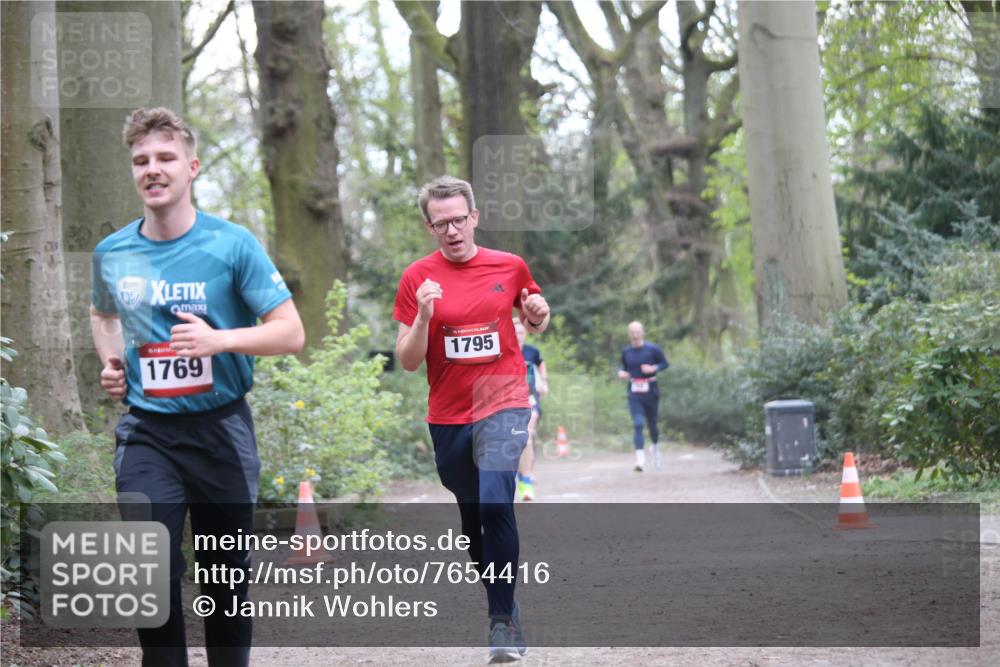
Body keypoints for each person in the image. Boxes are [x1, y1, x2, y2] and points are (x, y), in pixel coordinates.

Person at [90, 107, 305, 667]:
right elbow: (102, 314)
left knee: (225, 584)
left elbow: (290, 333)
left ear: (192, 167)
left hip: (221, 431)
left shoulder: (232, 245)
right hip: (146, 432)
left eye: (165, 158)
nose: (152, 170)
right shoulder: (113, 252)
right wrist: (112, 362)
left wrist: (221, 341)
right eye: (141, 161)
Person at [393, 176, 550, 663]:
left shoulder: (509, 265)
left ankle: (500, 624)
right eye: (442, 224)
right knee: (472, 521)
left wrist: (540, 314)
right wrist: (422, 316)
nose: (453, 230)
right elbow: (407, 359)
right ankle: (505, 605)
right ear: (429, 226)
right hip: (449, 415)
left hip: (503, 401)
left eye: (460, 219)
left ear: (475, 217)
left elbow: (534, 315)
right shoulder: (417, 278)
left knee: (495, 506)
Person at [617, 321, 669, 472]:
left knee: (652, 425)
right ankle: (640, 460)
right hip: (634, 391)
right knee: (638, 423)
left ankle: (655, 448)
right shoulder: (626, 351)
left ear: (642, 332)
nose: (635, 334)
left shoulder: (652, 349)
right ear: (629, 334)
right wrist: (622, 373)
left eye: (637, 331)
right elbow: (624, 367)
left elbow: (665, 363)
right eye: (632, 332)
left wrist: (654, 368)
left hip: (651, 391)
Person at [513, 317, 548, 501]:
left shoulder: (532, 352)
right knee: (514, 440)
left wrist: (544, 382)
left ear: (525, 333)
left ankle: (525, 482)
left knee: (525, 435)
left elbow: (541, 363)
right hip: (506, 402)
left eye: (521, 332)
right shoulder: (502, 352)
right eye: (515, 332)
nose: (518, 336)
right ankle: (517, 475)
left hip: (530, 400)